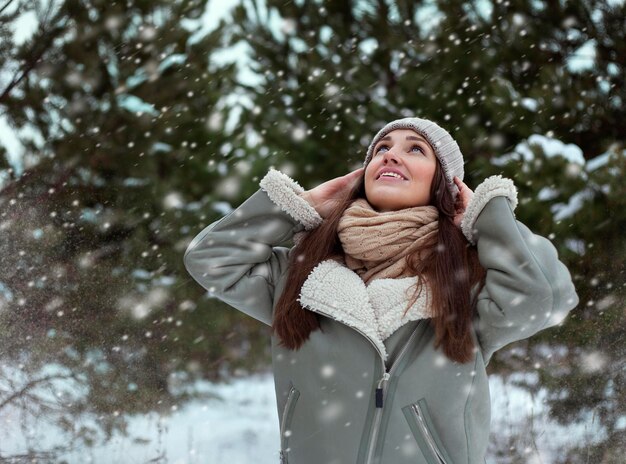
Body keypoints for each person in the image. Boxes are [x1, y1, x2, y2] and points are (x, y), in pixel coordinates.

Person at [183, 117, 578, 464]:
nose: (390, 155)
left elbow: (543, 298)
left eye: (416, 149)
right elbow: (209, 258)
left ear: (446, 186)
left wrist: (485, 218)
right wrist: (297, 206)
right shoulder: (302, 276)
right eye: (381, 149)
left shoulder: (466, 281)